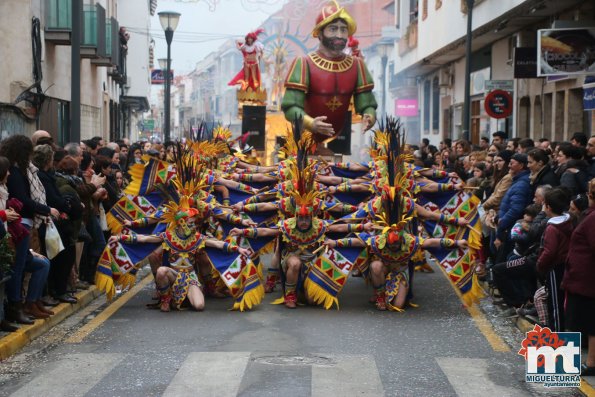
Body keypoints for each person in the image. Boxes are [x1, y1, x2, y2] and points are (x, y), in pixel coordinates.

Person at [282, 0, 377, 145]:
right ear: (320, 34)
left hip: (339, 137)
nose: (339, 35)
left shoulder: (357, 65)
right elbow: (290, 106)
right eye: (333, 29)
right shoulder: (304, 63)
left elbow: (367, 103)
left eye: (343, 30)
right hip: (305, 138)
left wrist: (370, 115)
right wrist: (310, 123)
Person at [562, 179, 595, 375]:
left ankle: (571, 364)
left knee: (578, 322)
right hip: (584, 278)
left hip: (585, 278)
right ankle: (588, 363)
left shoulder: (592, 218)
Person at [536, 188, 573, 332]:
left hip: (555, 267)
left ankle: (557, 336)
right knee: (562, 300)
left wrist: (540, 265)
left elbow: (549, 252)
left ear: (548, 207)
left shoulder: (552, 228)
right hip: (566, 265)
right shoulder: (569, 221)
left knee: (555, 303)